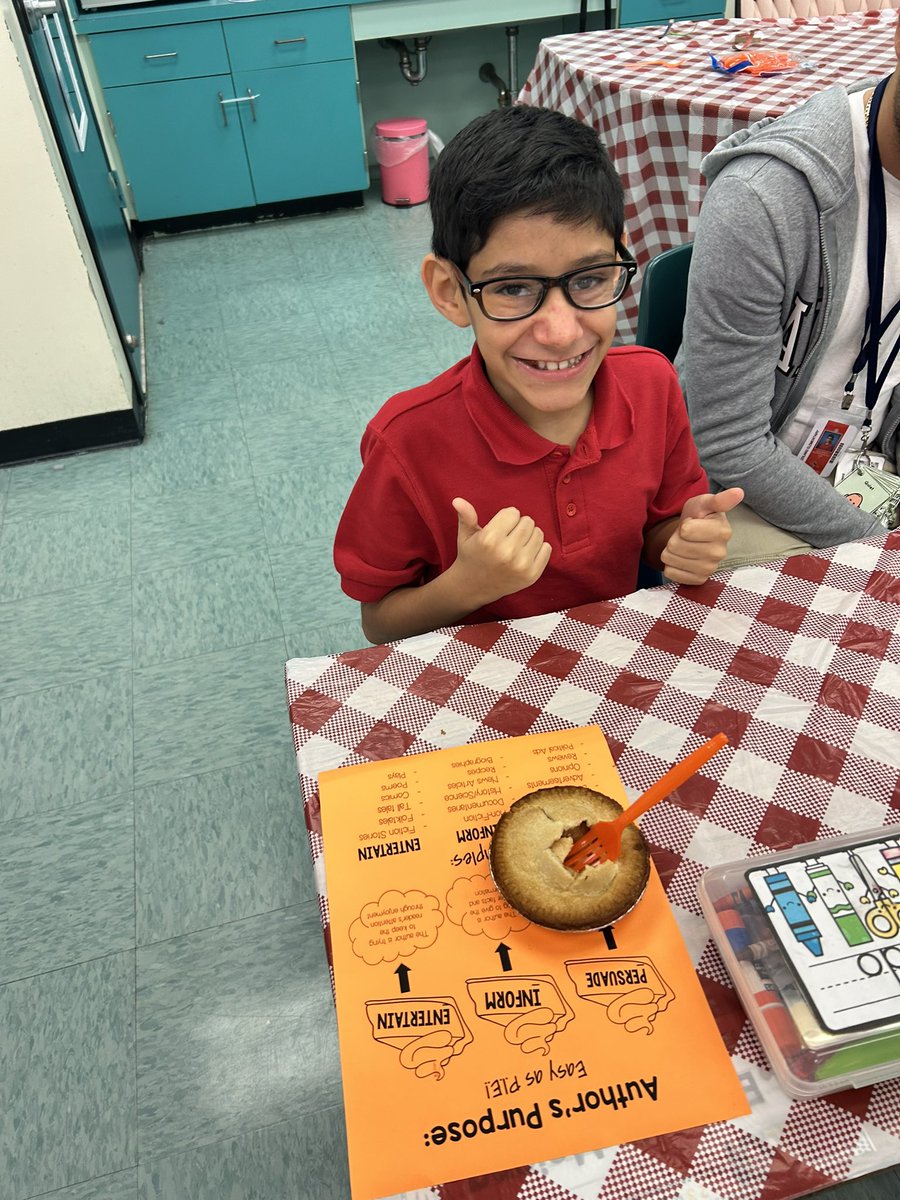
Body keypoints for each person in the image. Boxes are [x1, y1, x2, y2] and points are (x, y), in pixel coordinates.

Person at [334, 106, 742, 644]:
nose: (559, 332)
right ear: (451, 292)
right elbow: (378, 621)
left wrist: (681, 541)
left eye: (591, 279)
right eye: (512, 289)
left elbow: (657, 528)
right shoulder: (406, 440)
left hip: (615, 664)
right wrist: (467, 585)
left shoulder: (652, 382)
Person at [679, 21, 900, 567]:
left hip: (870, 462)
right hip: (747, 489)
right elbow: (727, 441)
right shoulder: (765, 197)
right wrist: (877, 543)